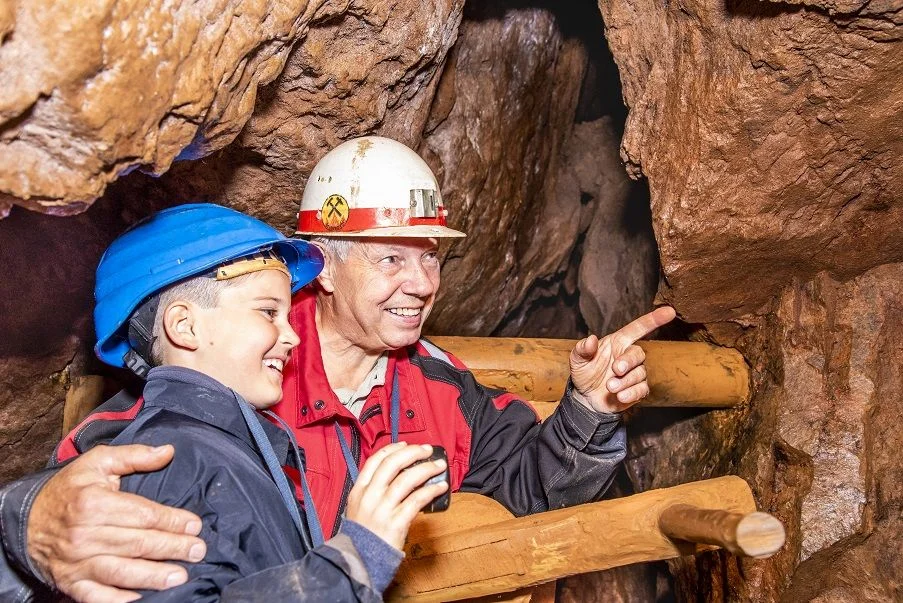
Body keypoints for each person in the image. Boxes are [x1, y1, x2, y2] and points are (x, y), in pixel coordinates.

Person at [1, 137, 675, 602]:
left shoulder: (440, 386)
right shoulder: (238, 371)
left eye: (431, 256)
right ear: (323, 264)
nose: (423, 283)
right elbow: (98, 479)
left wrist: (588, 411)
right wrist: (27, 519)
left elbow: (532, 489)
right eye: (392, 258)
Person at [1, 203, 448, 602]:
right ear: (185, 326)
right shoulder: (170, 461)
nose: (292, 336)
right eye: (268, 312)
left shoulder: (230, 448)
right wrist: (355, 560)